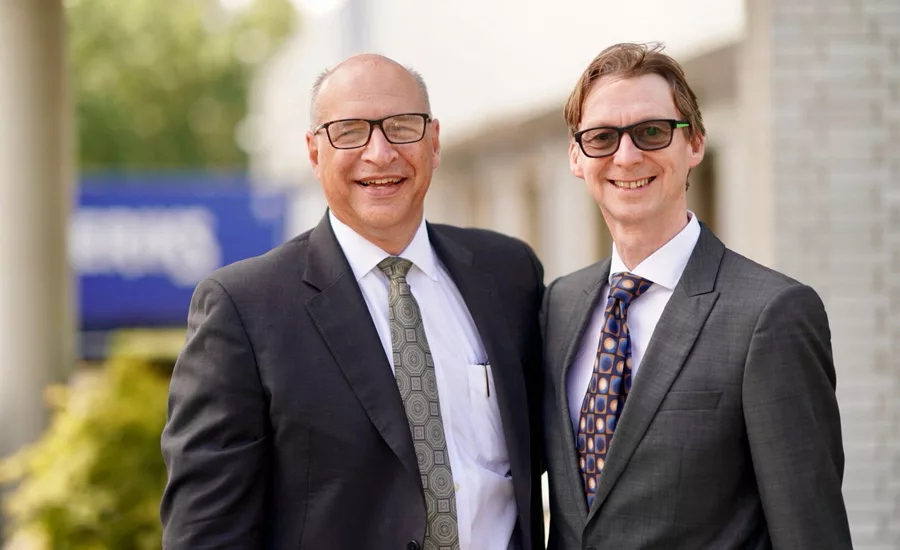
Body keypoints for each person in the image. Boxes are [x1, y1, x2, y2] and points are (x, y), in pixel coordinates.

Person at [160, 54, 545, 550]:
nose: (380, 153)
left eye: (402, 127)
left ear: (434, 142)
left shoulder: (508, 275)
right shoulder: (245, 308)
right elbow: (206, 534)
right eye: (349, 131)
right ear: (314, 152)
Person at [540, 42, 852, 549]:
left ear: (696, 144)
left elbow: (810, 532)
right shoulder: (560, 306)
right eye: (602, 137)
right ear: (577, 157)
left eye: (651, 132)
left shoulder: (769, 315)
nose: (627, 155)